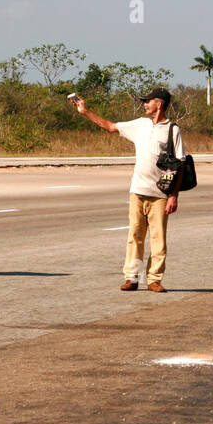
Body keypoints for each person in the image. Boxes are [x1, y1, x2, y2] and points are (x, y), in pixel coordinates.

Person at [71, 87, 183, 292]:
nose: (144, 104)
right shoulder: (140, 125)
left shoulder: (172, 130)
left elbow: (180, 164)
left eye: (148, 101)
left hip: (160, 194)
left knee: (158, 240)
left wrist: (173, 196)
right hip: (137, 191)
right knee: (135, 237)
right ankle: (132, 278)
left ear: (160, 104)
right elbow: (110, 127)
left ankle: (154, 280)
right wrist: (85, 112)